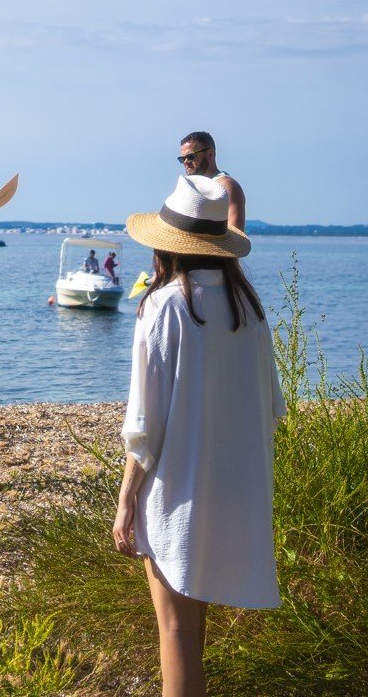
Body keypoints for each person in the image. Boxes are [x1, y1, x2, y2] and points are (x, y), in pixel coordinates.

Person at [112, 174, 284, 696]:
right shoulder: (249, 311)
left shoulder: (165, 307)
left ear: (168, 246)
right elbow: (272, 409)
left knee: (176, 634)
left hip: (177, 490)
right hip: (235, 489)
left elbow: (143, 425)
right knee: (193, 635)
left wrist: (125, 501)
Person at [177, 131, 245, 231]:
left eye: (190, 157)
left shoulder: (226, 186)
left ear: (210, 154)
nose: (186, 162)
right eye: (182, 159)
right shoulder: (190, 186)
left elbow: (235, 233)